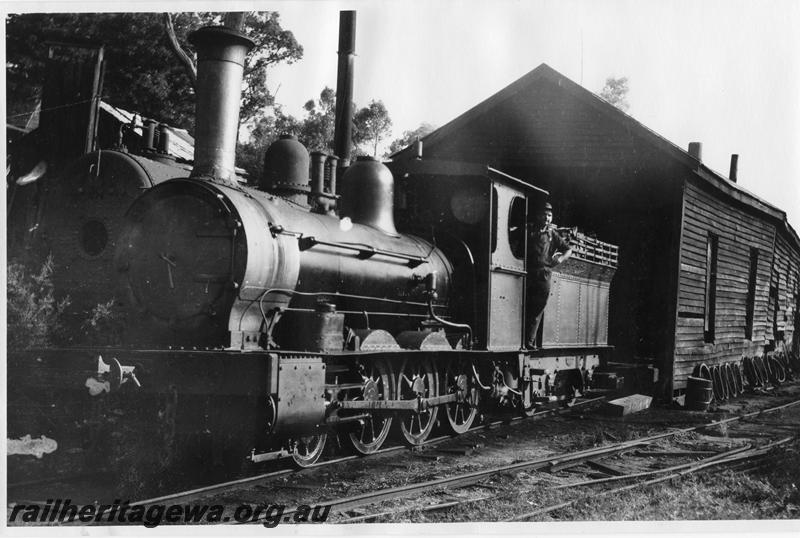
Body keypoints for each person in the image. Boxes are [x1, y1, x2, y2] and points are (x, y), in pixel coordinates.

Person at [526, 201, 572, 349]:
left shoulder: (553, 235)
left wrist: (560, 258)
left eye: (549, 215)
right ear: (538, 215)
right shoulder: (529, 230)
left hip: (544, 274)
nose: (547, 218)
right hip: (528, 273)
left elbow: (568, 249)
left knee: (537, 308)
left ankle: (529, 342)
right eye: (544, 215)